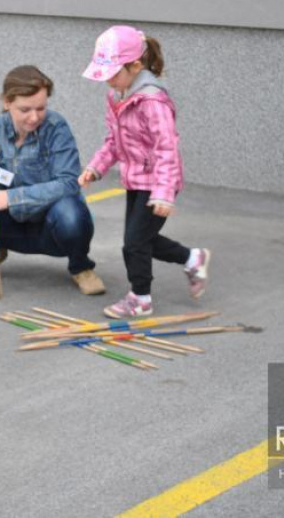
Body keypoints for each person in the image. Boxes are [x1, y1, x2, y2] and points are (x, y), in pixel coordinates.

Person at [79, 25, 210, 318]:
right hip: (137, 180)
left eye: (113, 73)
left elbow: (167, 148)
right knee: (142, 240)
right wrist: (95, 168)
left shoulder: (152, 100)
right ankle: (192, 258)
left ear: (135, 65)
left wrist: (164, 194)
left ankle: (140, 298)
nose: (108, 81)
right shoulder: (118, 96)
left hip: (159, 183)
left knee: (134, 243)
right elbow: (113, 141)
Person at [0, 65, 105, 295]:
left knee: (72, 213)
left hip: (51, 225)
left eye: (41, 108)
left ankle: (80, 266)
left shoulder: (56, 127)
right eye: (25, 109)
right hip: (11, 224)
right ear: (7, 102)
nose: (34, 117)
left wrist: (11, 197)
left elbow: (68, 182)